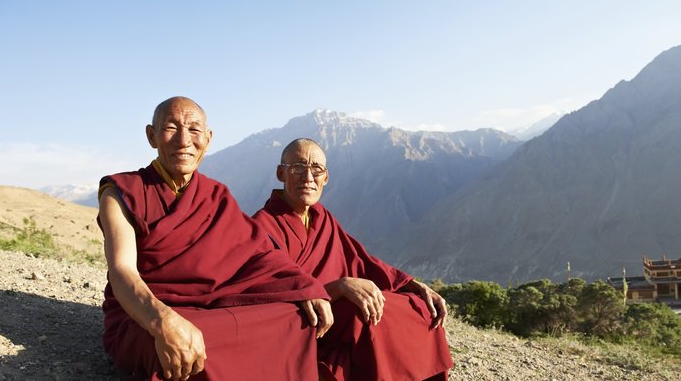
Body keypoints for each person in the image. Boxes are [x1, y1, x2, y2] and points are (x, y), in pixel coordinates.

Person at [98, 98, 333, 381]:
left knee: (292, 319)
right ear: (151, 136)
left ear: (208, 139)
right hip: (145, 312)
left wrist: (305, 287)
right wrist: (164, 321)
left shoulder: (217, 196)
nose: (184, 140)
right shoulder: (121, 191)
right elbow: (123, 271)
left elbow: (259, 255)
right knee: (177, 344)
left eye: (195, 130)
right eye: (171, 128)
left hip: (209, 309)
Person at [253, 138, 454, 381]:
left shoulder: (322, 218)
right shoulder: (262, 227)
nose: (308, 177)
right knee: (363, 314)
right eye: (297, 167)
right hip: (304, 326)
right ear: (281, 173)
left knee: (418, 307)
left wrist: (414, 285)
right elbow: (272, 294)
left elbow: (361, 260)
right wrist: (338, 287)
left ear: (325, 178)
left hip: (336, 317)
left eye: (316, 169)